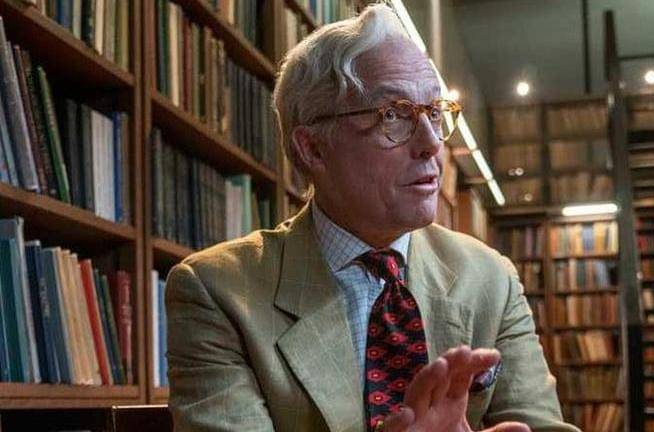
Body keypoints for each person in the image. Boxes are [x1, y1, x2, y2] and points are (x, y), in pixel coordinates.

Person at [165, 3, 580, 432]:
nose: (431, 144)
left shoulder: (491, 278)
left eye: (434, 113)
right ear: (313, 148)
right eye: (394, 115)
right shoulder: (218, 292)